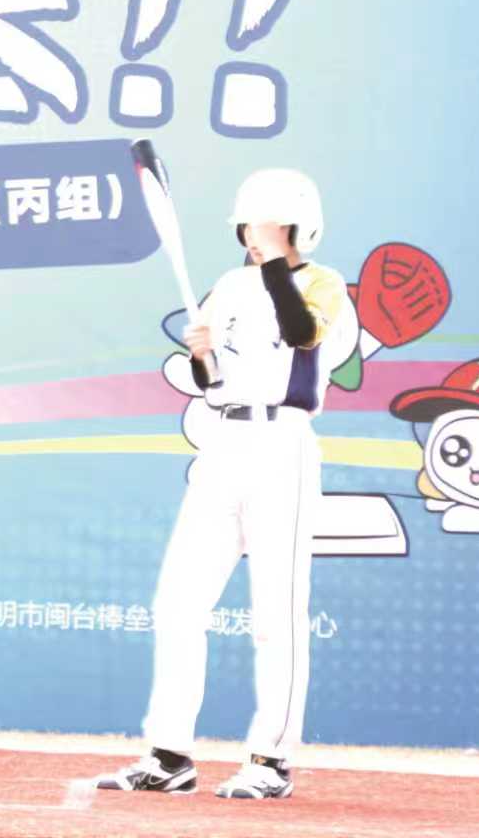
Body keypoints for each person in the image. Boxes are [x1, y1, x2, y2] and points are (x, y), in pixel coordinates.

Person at [98, 168, 353, 799]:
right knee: (178, 603)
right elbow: (209, 380)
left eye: (268, 224)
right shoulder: (229, 285)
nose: (253, 234)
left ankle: (271, 761)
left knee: (276, 615)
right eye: (248, 224)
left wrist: (273, 269)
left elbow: (303, 334)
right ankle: (169, 756)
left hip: (282, 444)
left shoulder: (322, 283)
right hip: (223, 444)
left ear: (298, 227)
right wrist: (200, 350)